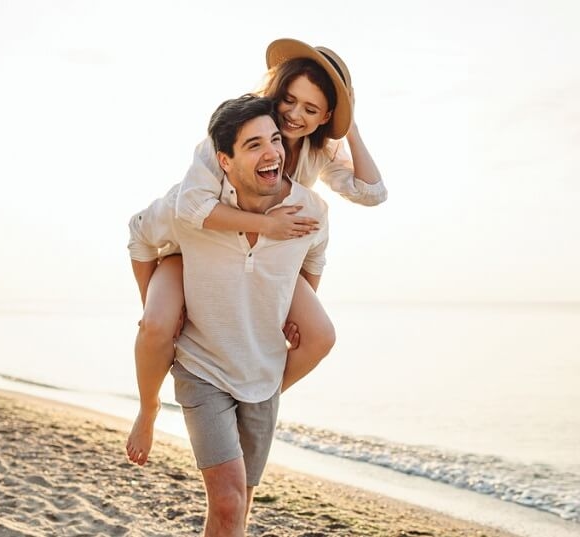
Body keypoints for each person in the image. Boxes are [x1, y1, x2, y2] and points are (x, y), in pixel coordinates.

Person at [126, 38, 386, 466]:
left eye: (312, 108)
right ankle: (149, 406)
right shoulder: (238, 128)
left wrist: (349, 122)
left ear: (326, 115)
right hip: (198, 242)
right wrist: (268, 224)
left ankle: (252, 395)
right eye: (290, 99)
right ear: (277, 89)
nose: (295, 115)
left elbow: (372, 193)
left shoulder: (320, 148)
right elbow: (191, 207)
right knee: (156, 325)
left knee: (319, 335)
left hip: (262, 256)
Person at [132, 94, 329, 536]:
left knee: (238, 506)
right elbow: (138, 235)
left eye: (275, 140)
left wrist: (287, 313)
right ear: (224, 160)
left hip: (262, 374)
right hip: (202, 369)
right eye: (253, 144)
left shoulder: (310, 212)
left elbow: (313, 258)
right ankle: (148, 409)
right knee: (227, 499)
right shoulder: (192, 211)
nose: (272, 153)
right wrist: (155, 303)